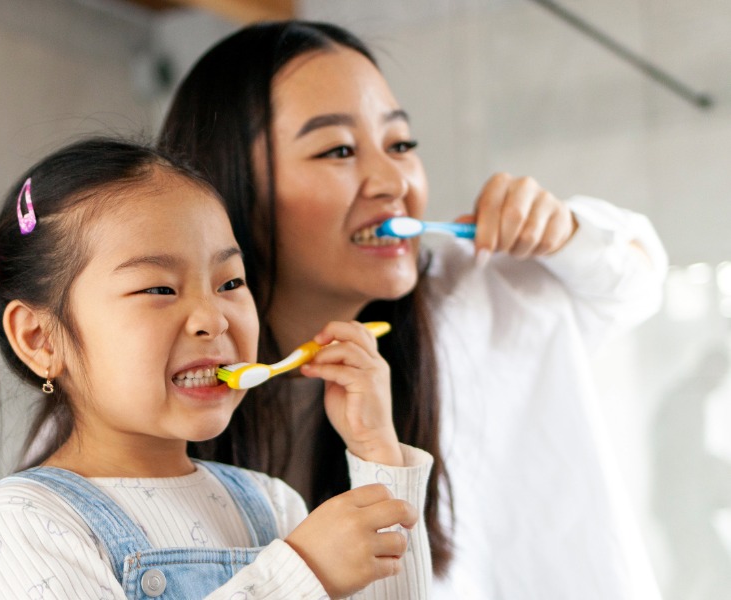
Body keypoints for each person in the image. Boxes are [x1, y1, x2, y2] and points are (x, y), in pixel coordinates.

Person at [158, 20, 668, 599]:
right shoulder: (171, 384)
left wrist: (568, 232)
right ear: (228, 190)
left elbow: (637, 277)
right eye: (339, 150)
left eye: (400, 145)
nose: (391, 180)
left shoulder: (475, 284)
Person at [0, 138, 437, 600]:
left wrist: (376, 451)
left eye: (230, 282)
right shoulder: (25, 522)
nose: (212, 318)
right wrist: (301, 573)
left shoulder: (272, 504)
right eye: (159, 288)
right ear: (40, 338)